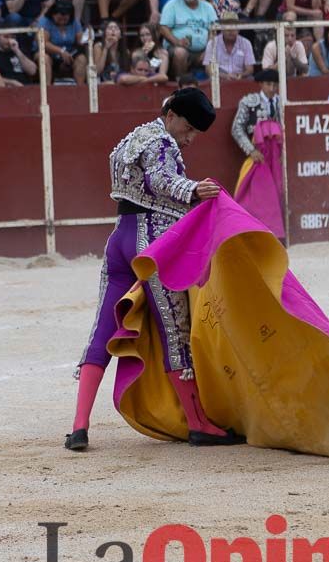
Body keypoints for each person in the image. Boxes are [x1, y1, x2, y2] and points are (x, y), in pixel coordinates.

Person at [66, 87, 233, 452]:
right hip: (152, 246)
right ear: (170, 114)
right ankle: (198, 423)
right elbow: (161, 180)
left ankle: (79, 426)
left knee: (102, 329)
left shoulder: (134, 137)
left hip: (119, 242)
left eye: (194, 134)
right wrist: (193, 190)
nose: (188, 139)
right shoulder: (162, 143)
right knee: (175, 331)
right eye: (187, 129)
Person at [159, 0, 216, 77]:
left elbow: (213, 30)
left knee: (213, 56)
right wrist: (177, 42)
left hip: (202, 51)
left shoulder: (208, 7)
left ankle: (215, 89)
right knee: (180, 53)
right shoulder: (172, 5)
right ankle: (182, 85)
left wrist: (208, 50)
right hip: (177, 47)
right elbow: (163, 28)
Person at [39, 0, 87, 84]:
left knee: (82, 59)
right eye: (59, 18)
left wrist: (86, 39)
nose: (62, 21)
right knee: (44, 58)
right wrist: (61, 52)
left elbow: (80, 41)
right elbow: (43, 43)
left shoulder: (74, 22)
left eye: (65, 19)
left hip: (70, 54)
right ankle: (46, 90)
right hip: (49, 53)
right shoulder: (45, 21)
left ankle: (81, 89)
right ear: (53, 14)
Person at [205, 12, 255, 80]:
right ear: (221, 28)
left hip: (240, 78)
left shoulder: (246, 43)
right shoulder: (212, 43)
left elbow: (250, 69)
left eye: (233, 25)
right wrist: (225, 76)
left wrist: (240, 75)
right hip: (219, 77)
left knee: (251, 79)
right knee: (211, 79)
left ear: (239, 28)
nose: (230, 30)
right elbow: (208, 68)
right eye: (227, 25)